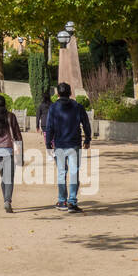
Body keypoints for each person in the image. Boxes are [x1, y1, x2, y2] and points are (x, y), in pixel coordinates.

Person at [43, 82, 92, 213]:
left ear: (58, 94)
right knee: (74, 173)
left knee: (61, 173)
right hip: (74, 144)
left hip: (59, 144)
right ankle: (72, 201)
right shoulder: (78, 106)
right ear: (70, 93)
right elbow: (86, 124)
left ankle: (61, 200)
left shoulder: (53, 108)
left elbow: (49, 127)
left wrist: (48, 144)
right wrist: (87, 139)